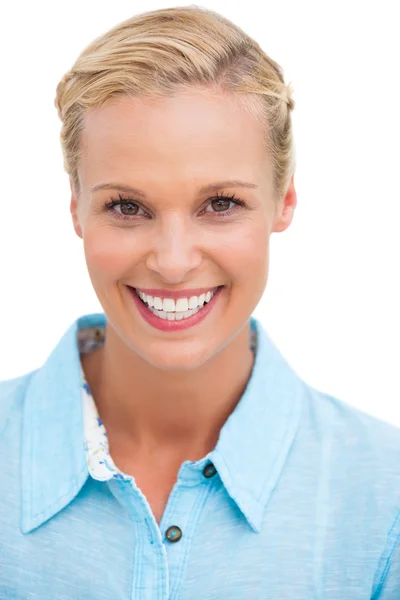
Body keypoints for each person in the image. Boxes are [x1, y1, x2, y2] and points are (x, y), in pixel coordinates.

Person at [0, 5, 399, 598]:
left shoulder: (385, 498)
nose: (174, 260)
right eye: (127, 207)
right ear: (76, 208)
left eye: (220, 204)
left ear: (284, 200)